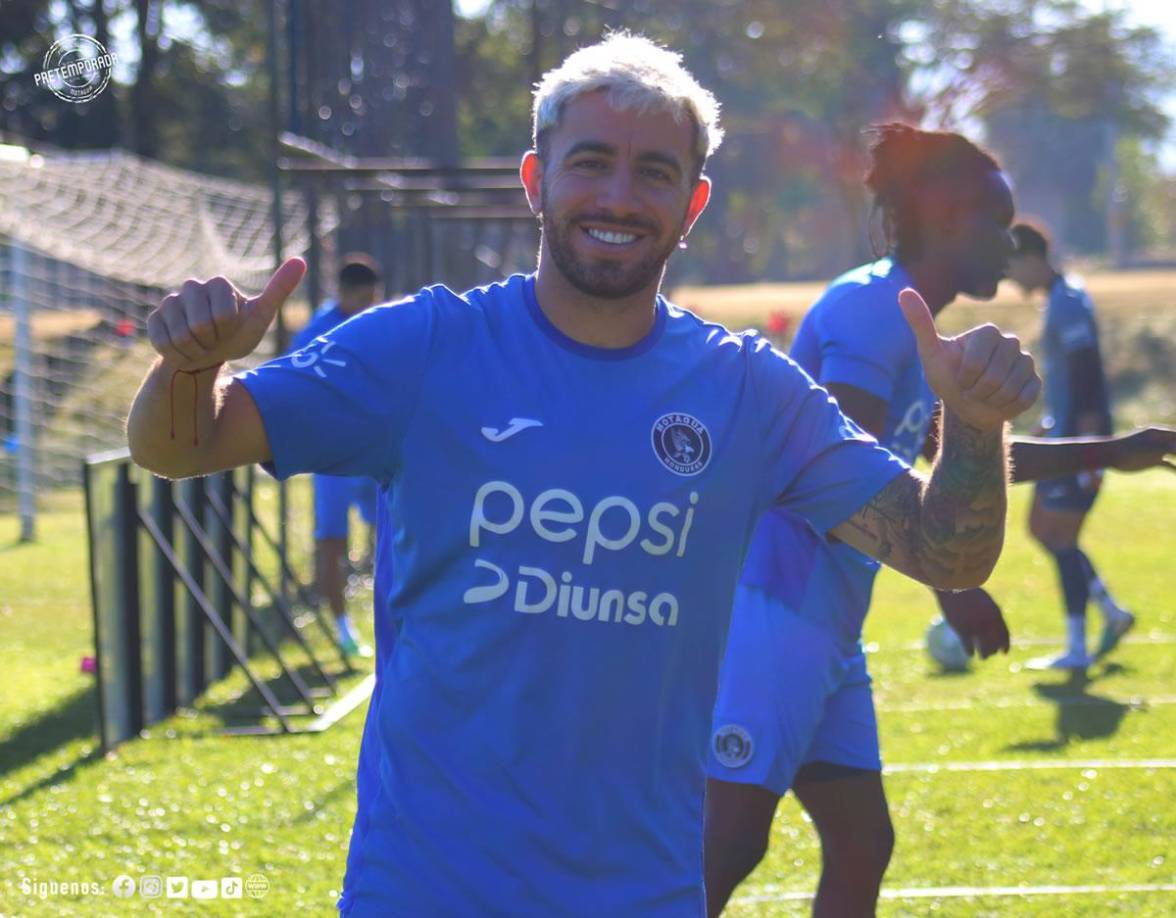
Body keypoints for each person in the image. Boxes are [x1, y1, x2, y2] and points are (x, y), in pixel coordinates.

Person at [126, 35, 1040, 917]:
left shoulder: (748, 391)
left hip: (638, 894)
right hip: (426, 891)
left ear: (693, 204)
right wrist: (190, 365)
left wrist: (974, 422)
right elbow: (181, 446)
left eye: (655, 173)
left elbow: (942, 552)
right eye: (590, 162)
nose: (619, 195)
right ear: (537, 180)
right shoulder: (428, 346)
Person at [703, 125, 1176, 917]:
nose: (1012, 242)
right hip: (772, 607)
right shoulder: (873, 309)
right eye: (1000, 223)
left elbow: (949, 464)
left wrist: (1114, 448)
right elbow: (848, 471)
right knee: (730, 842)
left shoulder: (908, 322)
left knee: (862, 842)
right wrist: (949, 585)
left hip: (826, 620)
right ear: (951, 222)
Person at [1005, 222, 1133, 670]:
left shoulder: (1068, 303)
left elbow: (1086, 372)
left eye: (1012, 266)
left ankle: (1078, 647)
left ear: (1032, 259)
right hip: (1064, 436)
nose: (1010, 278)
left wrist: (1090, 446)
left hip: (1079, 442)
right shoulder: (1061, 299)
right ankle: (1110, 611)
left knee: (1060, 534)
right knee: (1043, 529)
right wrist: (1049, 426)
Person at [290, 253, 384, 657]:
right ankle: (344, 629)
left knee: (392, 531)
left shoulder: (383, 323)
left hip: (375, 451)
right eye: (362, 298)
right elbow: (293, 384)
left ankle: (390, 619)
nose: (368, 305)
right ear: (346, 293)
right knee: (332, 541)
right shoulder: (316, 334)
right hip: (332, 458)